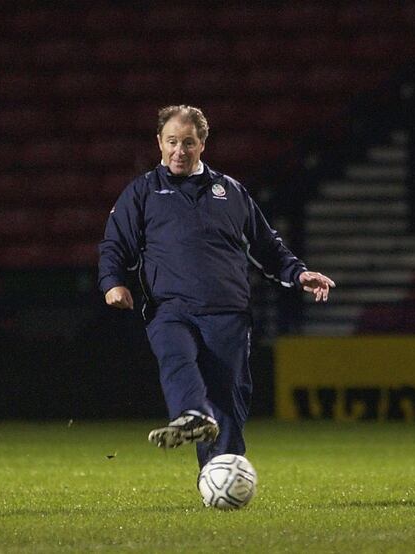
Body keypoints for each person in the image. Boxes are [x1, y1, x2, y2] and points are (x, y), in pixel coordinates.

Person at [99, 105, 335, 469]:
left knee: (228, 397)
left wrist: (298, 273)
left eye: (188, 142)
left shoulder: (231, 192)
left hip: (228, 312)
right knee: (176, 357)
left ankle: (221, 472)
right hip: (169, 307)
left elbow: (266, 246)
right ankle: (192, 414)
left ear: (202, 145)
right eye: (172, 142)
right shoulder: (142, 192)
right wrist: (113, 282)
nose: (180, 150)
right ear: (159, 143)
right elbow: (115, 244)